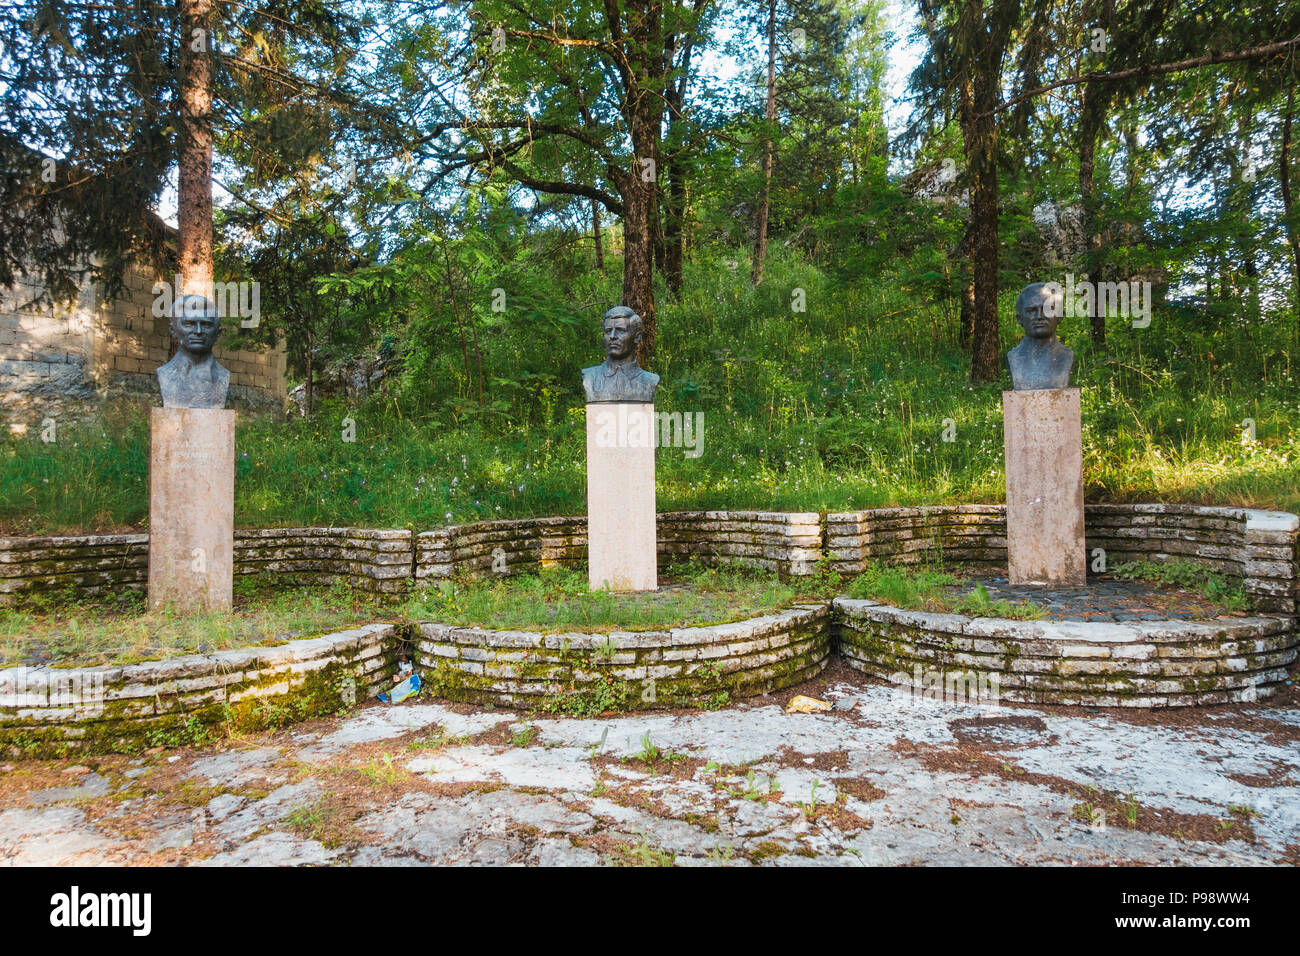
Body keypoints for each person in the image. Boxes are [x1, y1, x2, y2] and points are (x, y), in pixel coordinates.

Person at [156, 294, 230, 408]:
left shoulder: (223, 376)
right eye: (189, 324)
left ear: (217, 334)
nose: (198, 331)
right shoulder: (165, 374)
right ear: (172, 330)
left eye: (206, 325)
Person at [581, 305, 660, 403]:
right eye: (608, 331)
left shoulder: (650, 380)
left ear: (637, 337)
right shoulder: (590, 377)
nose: (612, 336)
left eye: (620, 331)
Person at [1006, 282, 1073, 390]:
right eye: (1031, 311)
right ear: (1019, 319)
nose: (1039, 316)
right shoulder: (1014, 358)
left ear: (1060, 316)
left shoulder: (1067, 356)